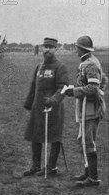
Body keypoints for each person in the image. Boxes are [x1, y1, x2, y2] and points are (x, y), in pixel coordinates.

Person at [64, 36, 107, 187]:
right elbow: (104, 79)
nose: (75, 49)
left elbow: (93, 87)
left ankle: (93, 178)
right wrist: (99, 92)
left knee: (88, 141)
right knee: (82, 140)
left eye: (77, 47)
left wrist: (74, 91)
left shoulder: (91, 64)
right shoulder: (87, 62)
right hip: (85, 107)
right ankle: (88, 171)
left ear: (82, 49)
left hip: (90, 109)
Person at [23, 37, 69, 176]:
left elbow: (63, 88)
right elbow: (33, 86)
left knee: (54, 137)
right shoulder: (39, 66)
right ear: (42, 48)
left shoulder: (60, 67)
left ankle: (51, 167)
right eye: (45, 47)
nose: (47, 49)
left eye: (50, 47)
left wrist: (53, 100)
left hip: (54, 109)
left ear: (55, 49)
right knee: (36, 135)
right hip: (38, 107)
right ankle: (36, 166)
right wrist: (29, 104)